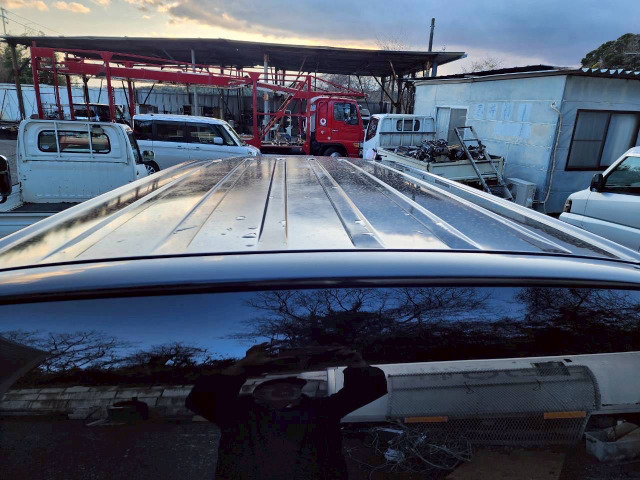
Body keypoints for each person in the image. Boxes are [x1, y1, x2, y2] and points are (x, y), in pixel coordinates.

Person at [186, 343, 387, 480]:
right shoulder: (236, 414)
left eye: (291, 386)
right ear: (258, 394)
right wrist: (242, 365)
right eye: (274, 387)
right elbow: (200, 400)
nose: (284, 390)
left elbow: (368, 389)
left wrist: (356, 363)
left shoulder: (324, 410)